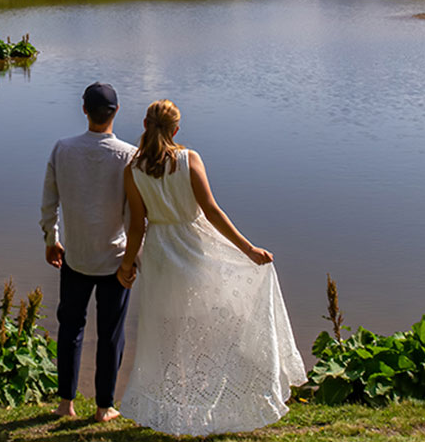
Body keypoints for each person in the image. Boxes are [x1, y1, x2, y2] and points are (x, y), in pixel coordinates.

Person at [116, 99, 306, 436]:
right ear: (176, 130)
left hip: (159, 253)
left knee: (167, 332)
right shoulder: (189, 160)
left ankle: (176, 408)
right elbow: (212, 211)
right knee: (204, 327)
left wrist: (127, 265)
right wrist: (248, 250)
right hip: (193, 247)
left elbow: (136, 226)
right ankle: (206, 403)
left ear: (145, 125)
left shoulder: (133, 170)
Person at [40, 82, 137, 422]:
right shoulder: (129, 155)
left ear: (84, 110)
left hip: (75, 257)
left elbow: (49, 202)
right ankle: (103, 406)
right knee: (111, 335)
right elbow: (133, 213)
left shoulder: (62, 149)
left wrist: (51, 239)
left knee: (70, 329)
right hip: (115, 262)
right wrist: (134, 259)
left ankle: (65, 403)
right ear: (116, 111)